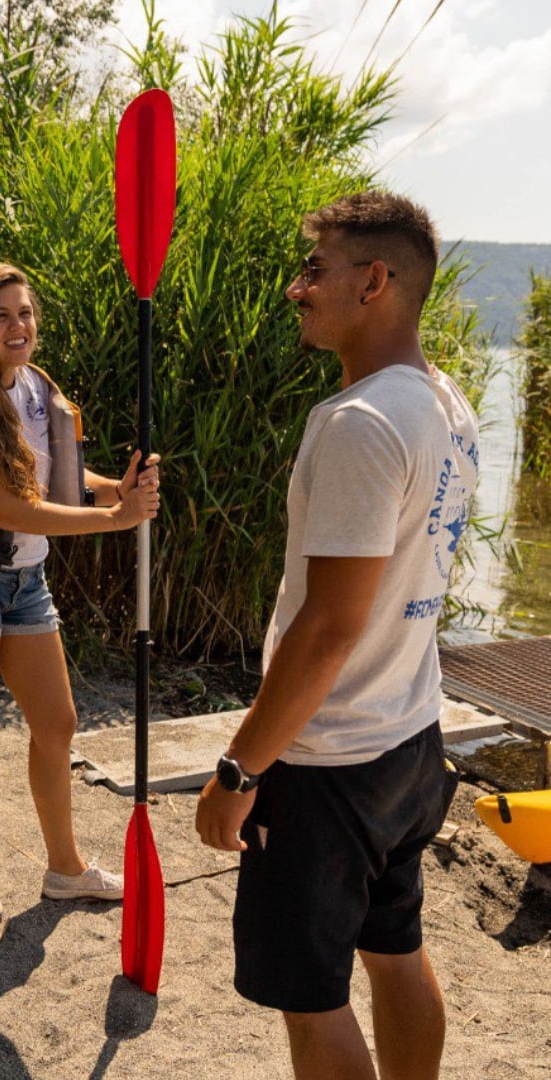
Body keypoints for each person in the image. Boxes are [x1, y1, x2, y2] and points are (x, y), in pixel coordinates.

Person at [195, 192, 479, 1079]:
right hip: (408, 739)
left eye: (315, 270)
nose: (295, 288)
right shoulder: (448, 402)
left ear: (376, 281)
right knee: (395, 949)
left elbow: (329, 628)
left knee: (311, 1001)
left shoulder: (360, 423)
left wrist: (240, 772)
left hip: (331, 767)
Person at [0, 262, 161, 923]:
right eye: (2, 317)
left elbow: (56, 478)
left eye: (26, 314)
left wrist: (115, 490)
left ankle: (65, 869)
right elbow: (10, 508)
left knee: (57, 723)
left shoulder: (37, 389)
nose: (19, 327)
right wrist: (112, 521)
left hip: (27, 581)